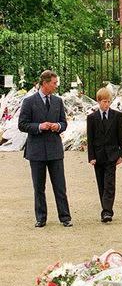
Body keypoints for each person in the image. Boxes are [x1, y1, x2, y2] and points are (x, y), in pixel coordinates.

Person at [18, 70, 72, 228]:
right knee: (39, 187)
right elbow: (22, 124)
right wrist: (39, 126)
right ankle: (41, 218)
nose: (56, 86)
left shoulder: (58, 101)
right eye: (54, 83)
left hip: (55, 150)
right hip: (36, 151)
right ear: (45, 83)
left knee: (60, 186)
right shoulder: (29, 102)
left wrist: (58, 126)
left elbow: (64, 123)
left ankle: (65, 217)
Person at [87, 87, 122, 223]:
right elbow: (90, 139)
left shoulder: (117, 116)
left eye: (109, 101)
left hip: (112, 155)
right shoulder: (92, 118)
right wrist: (91, 157)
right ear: (98, 101)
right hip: (98, 156)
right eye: (104, 101)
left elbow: (121, 135)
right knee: (101, 184)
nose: (106, 104)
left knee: (110, 183)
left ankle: (107, 211)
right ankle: (105, 207)